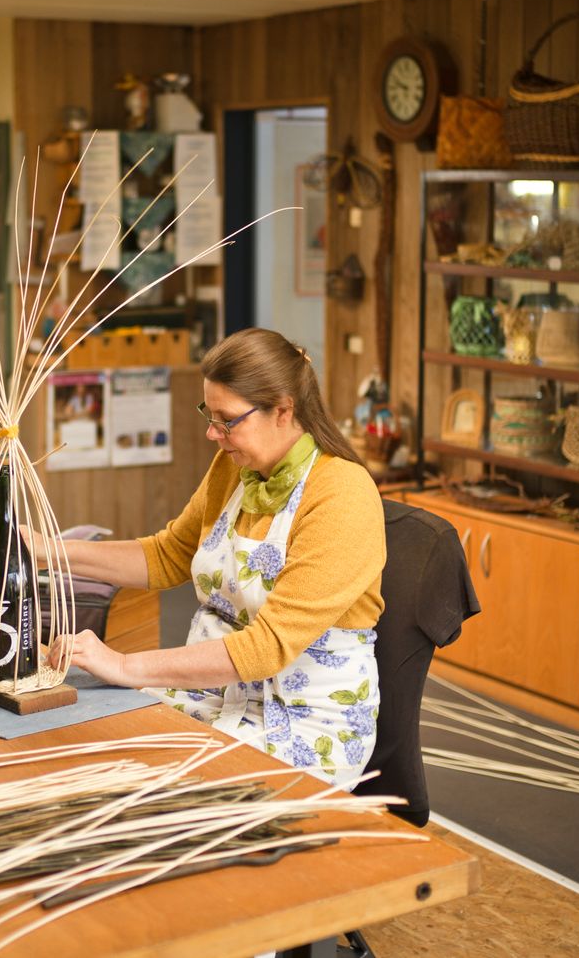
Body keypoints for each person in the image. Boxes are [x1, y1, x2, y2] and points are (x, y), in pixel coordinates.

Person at [44, 328, 385, 788]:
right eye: (209, 414)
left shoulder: (342, 493)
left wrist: (124, 666)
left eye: (227, 419)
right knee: (81, 752)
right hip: (210, 695)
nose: (212, 433)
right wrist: (46, 549)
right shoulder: (236, 467)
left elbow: (266, 648)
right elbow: (167, 556)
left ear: (283, 410)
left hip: (301, 722)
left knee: (157, 799)